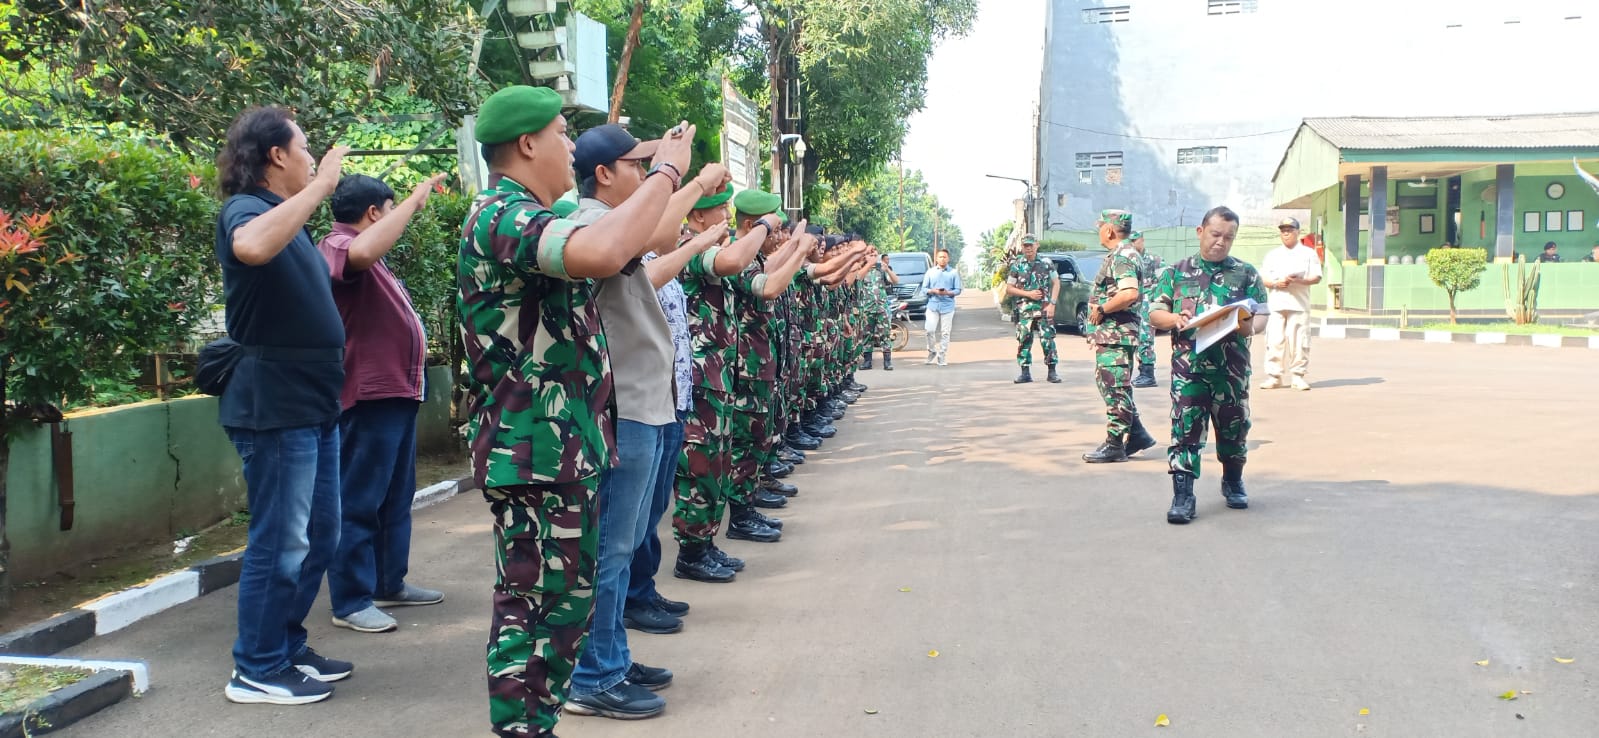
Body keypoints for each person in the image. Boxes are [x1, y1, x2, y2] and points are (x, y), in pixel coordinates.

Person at [456, 85, 693, 738]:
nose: (569, 146)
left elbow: (630, 239)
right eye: (562, 134)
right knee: (531, 610)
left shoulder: (539, 215)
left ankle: (538, 723)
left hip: (561, 446)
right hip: (531, 449)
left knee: (561, 609)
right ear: (527, 144)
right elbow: (602, 252)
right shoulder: (500, 215)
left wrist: (671, 183)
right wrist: (669, 171)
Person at [563, 124, 734, 719]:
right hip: (623, 407)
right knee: (610, 550)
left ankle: (610, 655)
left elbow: (657, 247)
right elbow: (662, 230)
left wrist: (676, 178)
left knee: (627, 543)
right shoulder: (586, 218)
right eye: (638, 165)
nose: (648, 173)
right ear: (605, 173)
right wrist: (684, 175)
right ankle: (592, 675)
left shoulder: (619, 220)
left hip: (648, 403)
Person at [213, 107, 353, 705]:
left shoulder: (286, 220)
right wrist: (324, 186)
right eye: (304, 150)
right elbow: (248, 248)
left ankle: (286, 645)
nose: (311, 159)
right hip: (273, 406)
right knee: (280, 539)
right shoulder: (248, 210)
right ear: (277, 156)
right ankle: (257, 667)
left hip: (311, 402)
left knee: (320, 533)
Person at [317, 173, 448, 636]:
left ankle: (388, 581)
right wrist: (414, 201)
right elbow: (359, 252)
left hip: (395, 391)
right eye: (390, 210)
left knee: (395, 496)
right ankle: (351, 599)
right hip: (369, 394)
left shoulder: (374, 259)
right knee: (359, 499)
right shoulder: (336, 244)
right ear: (374, 212)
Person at [1148, 206, 1268, 525]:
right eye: (1216, 235)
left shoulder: (1246, 273)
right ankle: (1183, 495)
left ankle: (1233, 480)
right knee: (1186, 429)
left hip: (1232, 371)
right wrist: (1175, 318)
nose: (1221, 242)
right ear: (1201, 232)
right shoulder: (1175, 272)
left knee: (1234, 428)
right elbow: (1154, 312)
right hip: (1190, 371)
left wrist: (1247, 325)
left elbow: (1262, 317)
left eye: (1229, 237)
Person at [1082, 210, 1157, 464]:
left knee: (1115, 388)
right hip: (1113, 334)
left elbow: (1129, 294)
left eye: (1100, 225)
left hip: (1117, 334)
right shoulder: (1122, 254)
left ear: (1109, 230)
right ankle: (1137, 433)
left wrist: (1102, 309)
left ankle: (1114, 444)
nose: (1099, 230)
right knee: (1109, 384)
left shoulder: (1123, 256)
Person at [1260, 217, 1323, 392]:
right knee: (1274, 341)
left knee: (1299, 341)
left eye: (1290, 229)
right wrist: (1275, 284)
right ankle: (1274, 376)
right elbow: (1263, 278)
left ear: (1297, 232)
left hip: (1299, 304)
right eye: (1283, 230)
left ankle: (1298, 376)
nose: (1286, 233)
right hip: (1277, 304)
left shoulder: (1308, 253)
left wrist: (1300, 280)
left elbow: (1316, 277)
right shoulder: (1273, 255)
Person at [1004, 234, 1060, 383]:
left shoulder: (1047, 263)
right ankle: (1025, 373)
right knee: (1024, 340)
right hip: (1025, 309)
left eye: (1031, 245)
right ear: (1022, 247)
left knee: (1047, 339)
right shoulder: (1017, 265)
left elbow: (1056, 283)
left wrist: (1052, 303)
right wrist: (1027, 293)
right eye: (1025, 246)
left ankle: (1052, 372)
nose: (1028, 248)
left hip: (1044, 308)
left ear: (1037, 245)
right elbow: (1009, 288)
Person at [1130, 231, 1163, 388]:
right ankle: (1143, 372)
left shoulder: (1154, 261)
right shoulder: (1129, 260)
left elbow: (1166, 279)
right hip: (1134, 306)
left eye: (1135, 240)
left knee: (1145, 339)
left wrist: (1156, 298)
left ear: (1142, 241)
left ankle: (1148, 375)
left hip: (1148, 305)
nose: (1132, 244)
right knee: (1137, 339)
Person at [921, 248, 962, 366]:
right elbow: (924, 289)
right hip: (932, 304)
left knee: (945, 332)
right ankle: (932, 351)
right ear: (936, 258)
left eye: (944, 257)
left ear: (948, 259)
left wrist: (947, 293)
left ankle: (942, 355)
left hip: (947, 306)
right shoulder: (930, 272)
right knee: (929, 330)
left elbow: (958, 290)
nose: (942, 259)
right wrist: (933, 291)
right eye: (940, 257)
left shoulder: (953, 273)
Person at [858, 251, 898, 370]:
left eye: (875, 255)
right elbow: (858, 278)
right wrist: (867, 265)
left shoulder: (881, 270)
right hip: (867, 308)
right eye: (870, 255)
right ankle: (867, 361)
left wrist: (888, 270)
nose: (873, 258)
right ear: (864, 257)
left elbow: (896, 280)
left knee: (885, 335)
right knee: (866, 335)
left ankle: (887, 361)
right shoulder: (862, 270)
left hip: (881, 308)